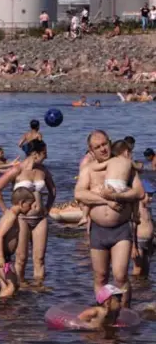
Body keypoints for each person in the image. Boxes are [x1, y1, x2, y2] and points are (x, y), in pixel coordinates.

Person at [74, 130, 145, 307]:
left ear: (110, 142)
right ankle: (105, 311)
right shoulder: (89, 170)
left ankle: (125, 311)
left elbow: (139, 192)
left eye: (105, 144)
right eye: (97, 147)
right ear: (91, 150)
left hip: (121, 228)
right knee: (100, 276)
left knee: (120, 275)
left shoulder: (123, 165)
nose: (103, 149)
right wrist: (107, 200)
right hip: (98, 229)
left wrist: (118, 197)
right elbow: (80, 193)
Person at [0, 140, 56, 284]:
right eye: (44, 153)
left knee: (39, 258)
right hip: (22, 219)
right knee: (21, 258)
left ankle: (38, 289)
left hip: (40, 218)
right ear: (34, 154)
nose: (46, 156)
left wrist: (47, 207)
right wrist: (6, 211)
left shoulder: (43, 170)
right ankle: (20, 288)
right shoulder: (17, 170)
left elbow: (53, 190)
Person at [0, 187, 35, 297]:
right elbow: (0, 236)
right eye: (30, 205)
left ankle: (5, 312)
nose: (31, 208)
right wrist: (0, 258)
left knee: (7, 285)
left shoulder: (12, 215)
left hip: (5, 255)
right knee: (12, 285)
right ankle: (0, 307)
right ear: (22, 203)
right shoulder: (11, 217)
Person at [79, 140, 135, 226]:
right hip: (121, 187)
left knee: (91, 195)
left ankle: (84, 217)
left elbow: (95, 167)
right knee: (133, 197)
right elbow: (138, 167)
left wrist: (90, 168)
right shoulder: (129, 162)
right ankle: (136, 215)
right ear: (126, 152)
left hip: (109, 186)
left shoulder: (109, 161)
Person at [132, 192, 153, 277]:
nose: (151, 199)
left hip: (148, 242)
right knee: (138, 268)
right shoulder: (137, 208)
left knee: (146, 269)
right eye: (149, 196)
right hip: (139, 242)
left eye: (152, 196)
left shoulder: (148, 209)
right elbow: (132, 227)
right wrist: (134, 247)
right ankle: (135, 288)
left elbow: (150, 223)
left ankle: (143, 289)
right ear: (142, 195)